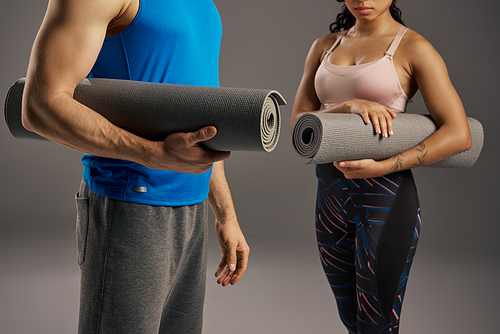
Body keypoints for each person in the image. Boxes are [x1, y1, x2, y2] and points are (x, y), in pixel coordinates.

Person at [21, 0, 250, 333]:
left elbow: (199, 118)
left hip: (193, 210)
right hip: (131, 204)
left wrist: (226, 214)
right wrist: (152, 153)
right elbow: (40, 104)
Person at [291, 0, 471, 333]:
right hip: (330, 200)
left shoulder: (413, 47)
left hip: (385, 200)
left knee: (377, 324)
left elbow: (459, 134)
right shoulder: (323, 47)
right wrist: (347, 106)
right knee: (351, 321)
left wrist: (384, 166)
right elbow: (298, 126)